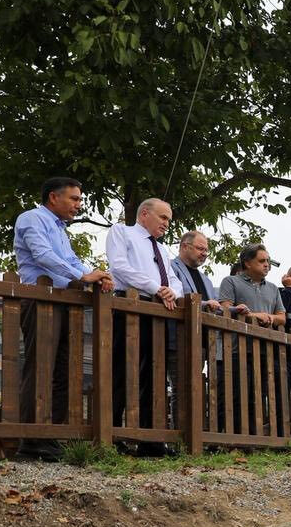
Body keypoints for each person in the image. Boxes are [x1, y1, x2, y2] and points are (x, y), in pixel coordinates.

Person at [13, 176, 114, 458]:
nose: (79, 205)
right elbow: (42, 255)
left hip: (64, 300)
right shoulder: (32, 218)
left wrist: (95, 277)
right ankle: (31, 439)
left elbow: (71, 262)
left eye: (80, 199)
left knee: (62, 369)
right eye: (74, 199)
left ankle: (53, 436)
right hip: (40, 298)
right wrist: (82, 276)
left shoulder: (60, 228)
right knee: (40, 367)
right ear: (53, 197)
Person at [106, 198, 184, 437]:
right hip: (127, 306)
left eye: (169, 220)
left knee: (153, 374)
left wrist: (172, 291)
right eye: (163, 217)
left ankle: (151, 438)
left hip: (156, 311)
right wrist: (155, 287)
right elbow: (118, 266)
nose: (167, 224)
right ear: (144, 214)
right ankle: (114, 433)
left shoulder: (162, 249)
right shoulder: (122, 232)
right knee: (120, 370)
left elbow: (175, 280)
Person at [216, 243, 285, 433]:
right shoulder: (230, 282)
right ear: (247, 263)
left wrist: (269, 317)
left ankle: (253, 437)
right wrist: (255, 316)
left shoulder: (273, 288)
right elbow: (224, 309)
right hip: (238, 348)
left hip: (265, 350)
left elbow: (281, 316)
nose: (267, 265)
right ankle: (233, 437)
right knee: (237, 394)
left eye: (268, 261)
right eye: (262, 261)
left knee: (259, 394)